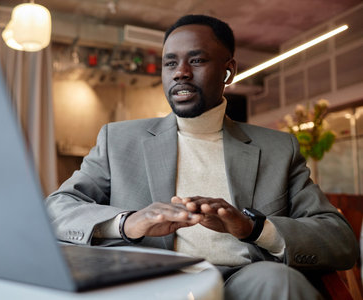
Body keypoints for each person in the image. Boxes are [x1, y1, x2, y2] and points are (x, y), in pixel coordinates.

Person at [46, 15, 358, 299]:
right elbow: (57, 208)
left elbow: (339, 239)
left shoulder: (279, 148)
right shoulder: (119, 140)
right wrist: (128, 223)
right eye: (170, 64)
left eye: (196, 60)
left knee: (281, 282)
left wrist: (255, 229)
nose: (180, 72)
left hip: (245, 279)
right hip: (153, 279)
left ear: (229, 71)